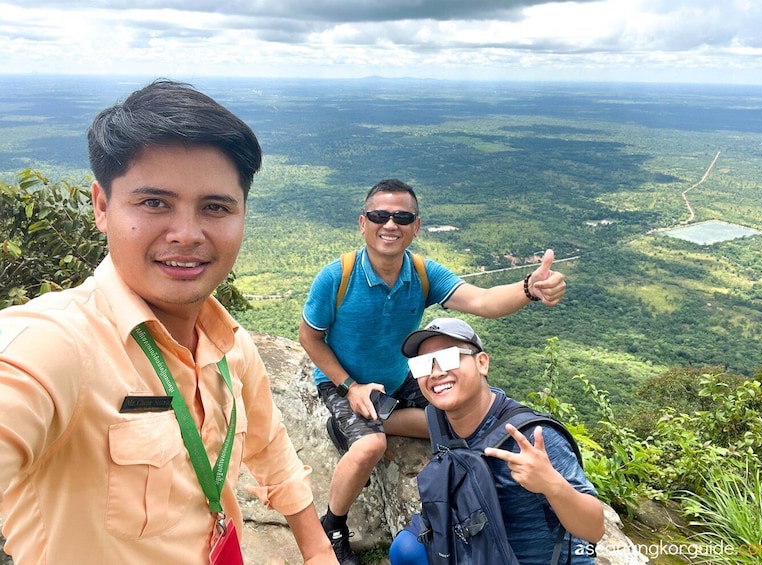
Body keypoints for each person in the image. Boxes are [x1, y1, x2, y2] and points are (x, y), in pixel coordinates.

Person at [0, 80, 337, 565]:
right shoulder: (58, 345)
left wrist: (317, 549)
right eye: (154, 202)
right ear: (101, 205)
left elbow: (271, 447)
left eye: (215, 207)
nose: (186, 234)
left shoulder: (231, 348)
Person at [298, 178, 567, 564]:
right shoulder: (337, 277)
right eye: (379, 215)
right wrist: (350, 386)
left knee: (457, 417)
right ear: (363, 223)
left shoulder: (422, 273)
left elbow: (482, 301)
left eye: (402, 217)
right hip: (343, 381)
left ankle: (378, 420)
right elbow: (309, 337)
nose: (390, 224)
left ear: (415, 227)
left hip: (397, 378)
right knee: (370, 446)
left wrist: (529, 288)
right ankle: (334, 526)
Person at [388, 317, 604, 564]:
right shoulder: (438, 420)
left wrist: (551, 484)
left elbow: (594, 528)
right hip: (474, 543)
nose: (436, 372)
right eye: (423, 364)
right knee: (405, 549)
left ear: (482, 363)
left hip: (527, 559)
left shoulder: (529, 436)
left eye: (449, 357)